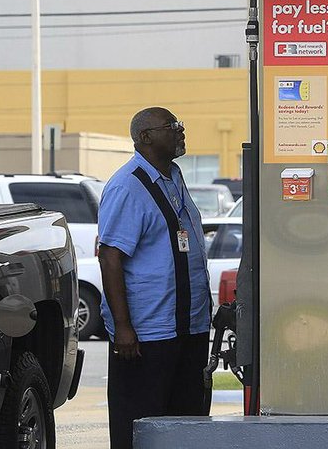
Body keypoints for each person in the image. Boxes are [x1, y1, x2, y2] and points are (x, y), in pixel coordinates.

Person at [98, 107, 211, 449]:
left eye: (179, 125)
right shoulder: (127, 187)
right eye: (171, 126)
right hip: (147, 335)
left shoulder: (174, 177)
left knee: (187, 425)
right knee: (141, 429)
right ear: (145, 137)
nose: (180, 132)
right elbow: (110, 256)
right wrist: (123, 327)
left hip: (188, 327)